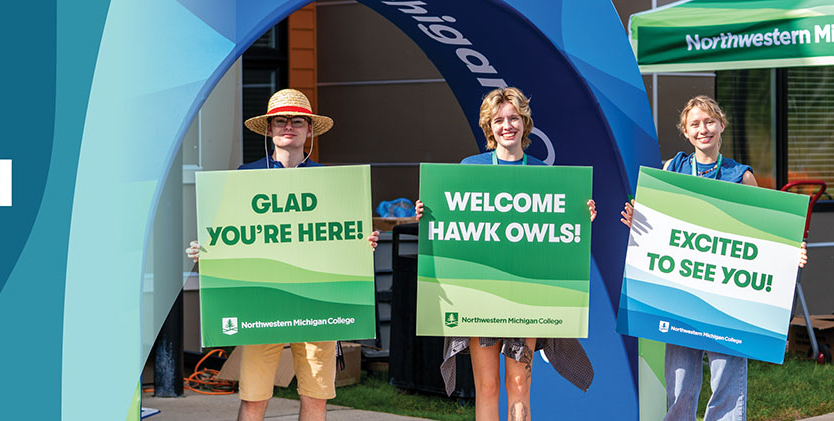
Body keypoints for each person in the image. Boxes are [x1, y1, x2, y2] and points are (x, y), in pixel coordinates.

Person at [185, 88, 380, 421]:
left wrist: (362, 243)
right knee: (253, 398)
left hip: (318, 302)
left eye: (297, 121)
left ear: (309, 130)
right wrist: (205, 252)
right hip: (262, 302)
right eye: (280, 121)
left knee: (316, 399)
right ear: (269, 129)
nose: (288, 126)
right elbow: (228, 236)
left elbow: (341, 237)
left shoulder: (330, 181)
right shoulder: (246, 177)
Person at [620, 95, 807, 421]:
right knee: (678, 384)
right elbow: (661, 226)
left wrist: (790, 250)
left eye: (709, 122)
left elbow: (764, 233)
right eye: (695, 124)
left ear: (721, 125)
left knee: (727, 383)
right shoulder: (672, 169)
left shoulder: (741, 176)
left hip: (729, 301)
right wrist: (641, 221)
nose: (703, 129)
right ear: (686, 132)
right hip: (680, 294)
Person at [417, 87, 596, 421]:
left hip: (525, 297)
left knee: (519, 384)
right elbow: (451, 224)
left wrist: (581, 215)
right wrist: (429, 211)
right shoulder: (470, 168)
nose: (507, 125)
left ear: (525, 123)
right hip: (479, 296)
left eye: (514, 118)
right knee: (486, 387)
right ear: (489, 127)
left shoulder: (545, 174)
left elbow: (560, 235)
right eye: (499, 120)